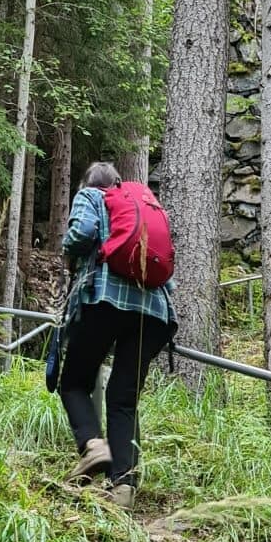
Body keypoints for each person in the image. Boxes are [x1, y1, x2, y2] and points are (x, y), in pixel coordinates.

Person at [58, 161, 175, 509]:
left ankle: (93, 446)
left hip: (105, 301)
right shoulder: (143, 207)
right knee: (123, 399)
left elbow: (81, 233)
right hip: (154, 313)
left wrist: (68, 253)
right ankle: (123, 487)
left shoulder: (91, 196)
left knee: (74, 383)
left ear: (87, 184)